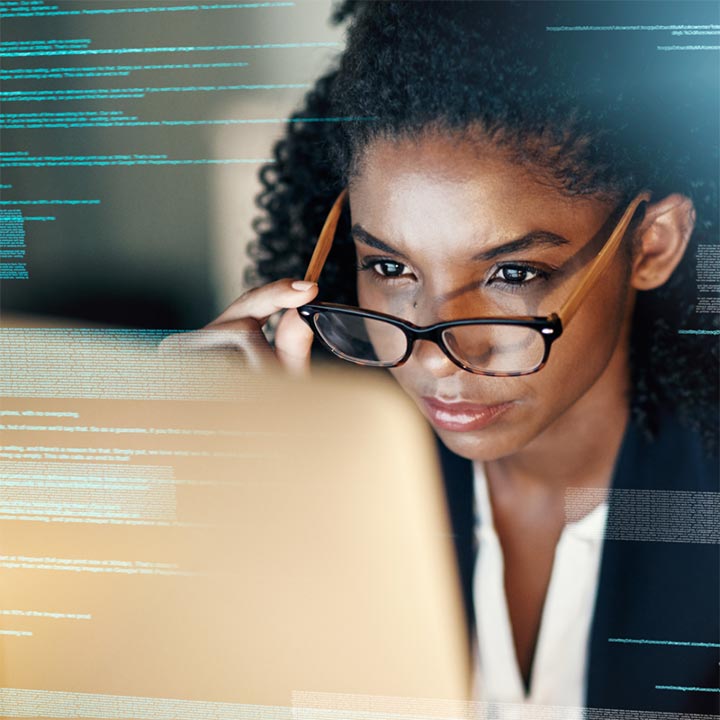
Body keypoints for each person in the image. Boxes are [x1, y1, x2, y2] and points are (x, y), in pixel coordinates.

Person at [168, 1, 719, 714]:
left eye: (512, 274)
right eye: (392, 269)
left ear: (653, 243)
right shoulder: (354, 480)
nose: (437, 355)